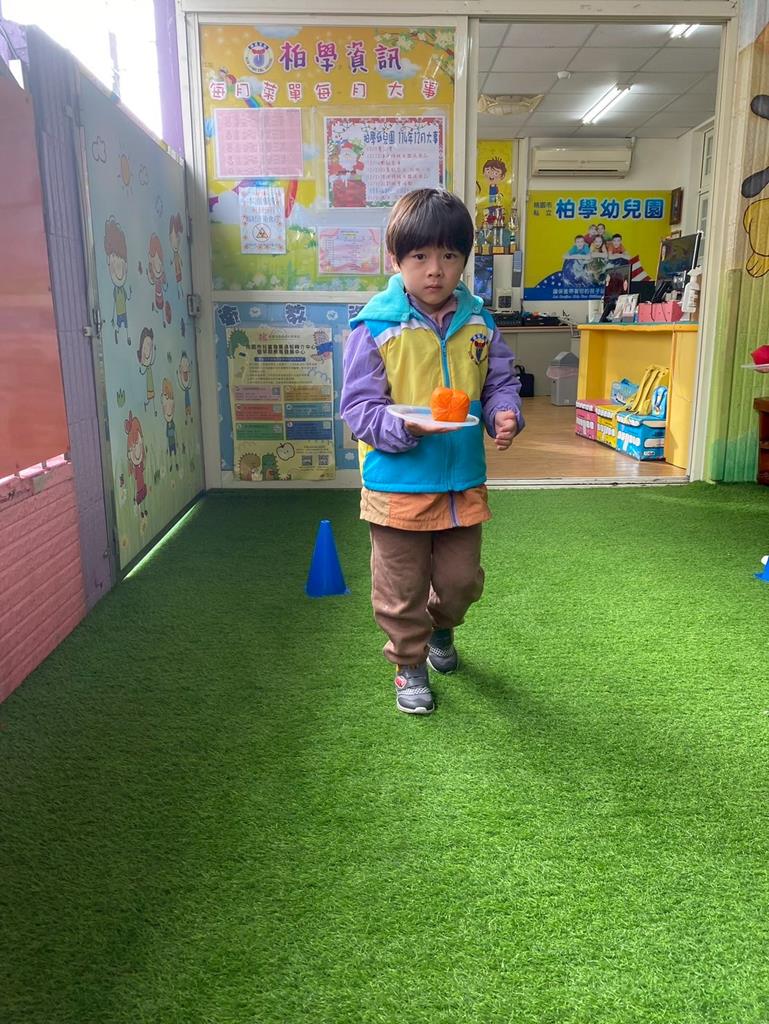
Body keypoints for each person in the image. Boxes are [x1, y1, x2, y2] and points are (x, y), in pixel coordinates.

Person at [340, 188, 523, 716]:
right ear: (395, 260)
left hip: (462, 481)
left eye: (449, 255)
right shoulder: (375, 327)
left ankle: (441, 628)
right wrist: (404, 428)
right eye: (419, 256)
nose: (435, 270)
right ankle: (409, 662)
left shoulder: (480, 322)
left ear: (464, 260)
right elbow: (358, 407)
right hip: (397, 483)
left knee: (461, 582)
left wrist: (504, 412)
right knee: (400, 587)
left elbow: (500, 382)